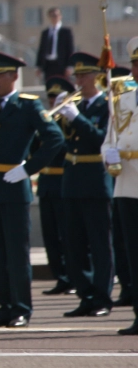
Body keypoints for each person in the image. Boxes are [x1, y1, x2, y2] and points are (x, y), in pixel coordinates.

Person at [0, 52, 64, 329]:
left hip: (15, 186)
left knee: (16, 252)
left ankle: (21, 308)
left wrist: (28, 168)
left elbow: (54, 139)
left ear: (14, 76)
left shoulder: (27, 106)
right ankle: (4, 306)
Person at [57, 52, 114, 318]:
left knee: (100, 243)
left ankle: (102, 297)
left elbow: (103, 139)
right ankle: (86, 295)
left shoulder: (107, 105)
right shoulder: (75, 104)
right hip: (73, 180)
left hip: (95, 179)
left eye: (84, 75)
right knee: (74, 244)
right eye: (77, 75)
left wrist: (77, 118)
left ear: (98, 77)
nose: (79, 80)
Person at [105, 37, 138, 335]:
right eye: (135, 64)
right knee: (133, 253)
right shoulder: (123, 99)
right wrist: (110, 156)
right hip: (126, 184)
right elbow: (110, 138)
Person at [38, 77, 75, 297]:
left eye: (58, 98)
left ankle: (72, 276)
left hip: (63, 181)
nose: (53, 101)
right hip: (46, 184)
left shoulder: (70, 121)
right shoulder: (46, 120)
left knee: (67, 235)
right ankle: (61, 277)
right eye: (51, 97)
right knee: (50, 236)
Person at [36, 7, 75, 80]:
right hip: (48, 65)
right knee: (50, 86)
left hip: (61, 65)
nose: (54, 18)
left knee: (62, 87)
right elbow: (41, 49)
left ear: (60, 16)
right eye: (52, 16)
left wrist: (69, 66)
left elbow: (70, 49)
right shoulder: (45, 33)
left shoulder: (66, 32)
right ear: (49, 17)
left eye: (56, 15)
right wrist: (39, 66)